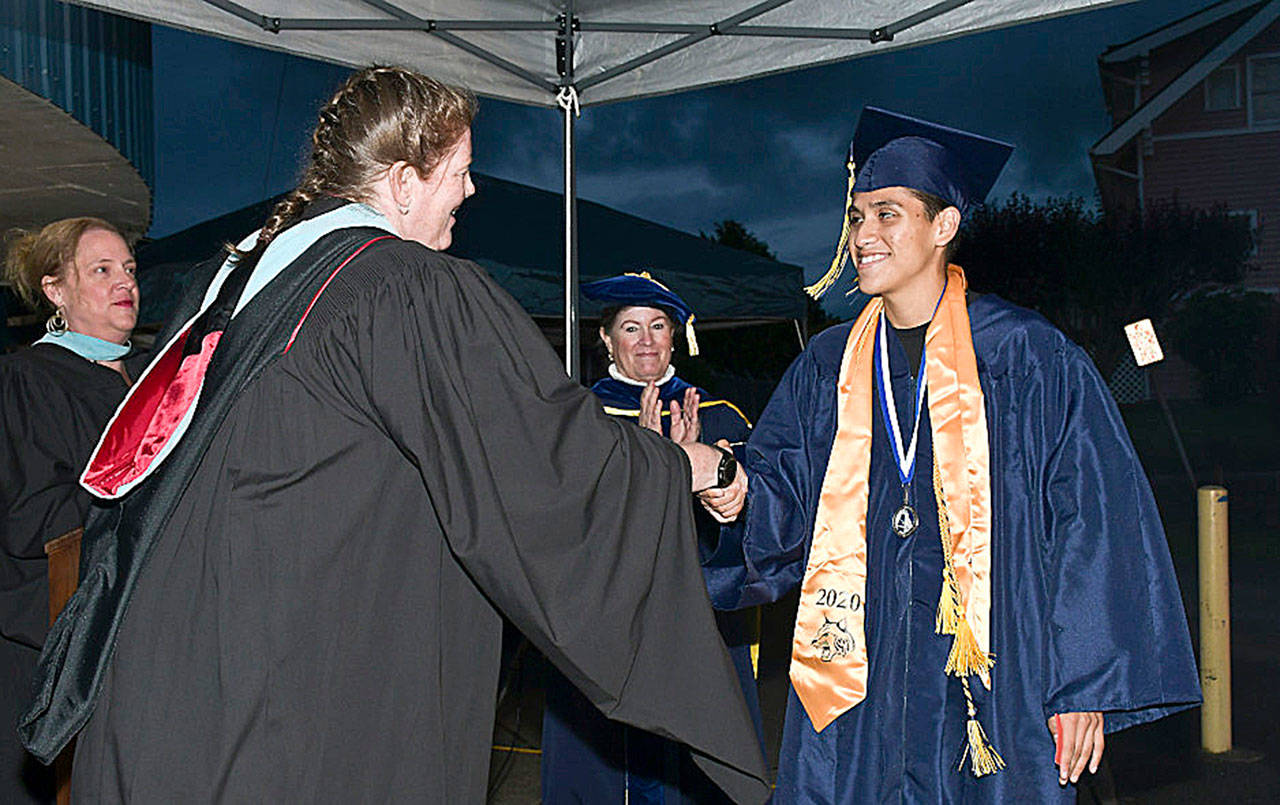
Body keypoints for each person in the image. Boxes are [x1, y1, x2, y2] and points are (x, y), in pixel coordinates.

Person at [18, 66, 768, 803]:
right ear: (404, 182)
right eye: (460, 172)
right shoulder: (400, 287)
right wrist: (688, 465)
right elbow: (544, 461)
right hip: (283, 714)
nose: (470, 192)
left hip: (171, 694)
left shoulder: (246, 277)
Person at [699, 107, 1200, 802]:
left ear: (944, 226)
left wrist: (1083, 682)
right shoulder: (827, 365)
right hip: (862, 674)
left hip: (996, 675)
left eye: (887, 214)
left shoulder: (1027, 355)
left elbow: (1091, 515)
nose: (862, 235)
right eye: (857, 216)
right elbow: (784, 486)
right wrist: (733, 489)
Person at [541, 272, 761, 804]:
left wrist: (707, 481)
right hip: (608, 620)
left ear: (675, 337)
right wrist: (645, 466)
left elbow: (753, 532)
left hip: (697, 615)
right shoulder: (579, 417)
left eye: (658, 326)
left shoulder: (720, 417)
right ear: (606, 338)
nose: (646, 341)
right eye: (631, 328)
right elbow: (559, 526)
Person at [1, 218, 140, 804]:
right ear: (56, 290)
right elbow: (35, 520)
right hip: (58, 649)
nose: (124, 282)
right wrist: (139, 487)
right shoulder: (29, 379)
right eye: (102, 270)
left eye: (129, 268)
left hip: (139, 640)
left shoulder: (156, 378)